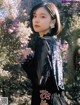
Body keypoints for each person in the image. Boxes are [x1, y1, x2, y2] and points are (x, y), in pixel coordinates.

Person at [18, 2, 66, 105]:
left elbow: (39, 80)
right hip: (57, 99)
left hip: (44, 100)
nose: (36, 19)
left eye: (43, 16)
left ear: (53, 21)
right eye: (34, 16)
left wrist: (27, 59)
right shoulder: (54, 42)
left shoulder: (43, 42)